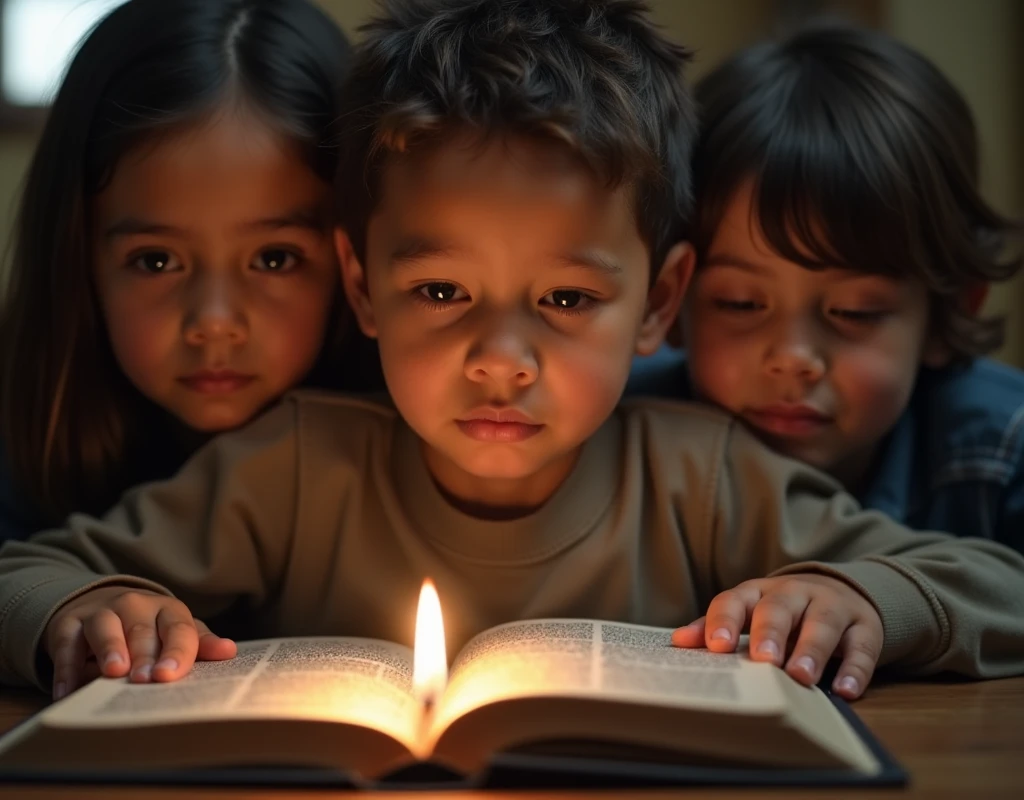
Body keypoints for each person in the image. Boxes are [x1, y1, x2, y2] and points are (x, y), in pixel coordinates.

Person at [1, 0, 1022, 707]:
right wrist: (87, 604)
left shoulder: (703, 474)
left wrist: (861, 595)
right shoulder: (290, 468)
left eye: (566, 298)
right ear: (363, 286)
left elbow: (994, 583)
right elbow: (33, 567)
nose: (500, 358)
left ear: (660, 301)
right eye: (440, 291)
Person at [626, 23, 1024, 552]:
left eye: (854, 312)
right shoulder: (618, 432)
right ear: (671, 298)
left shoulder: (1002, 452)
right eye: (740, 303)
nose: (793, 359)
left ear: (947, 310)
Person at [0, 0, 382, 543]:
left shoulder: (423, 460)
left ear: (356, 259)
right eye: (156, 261)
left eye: (274, 258)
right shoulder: (23, 456)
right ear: (78, 257)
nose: (214, 321)